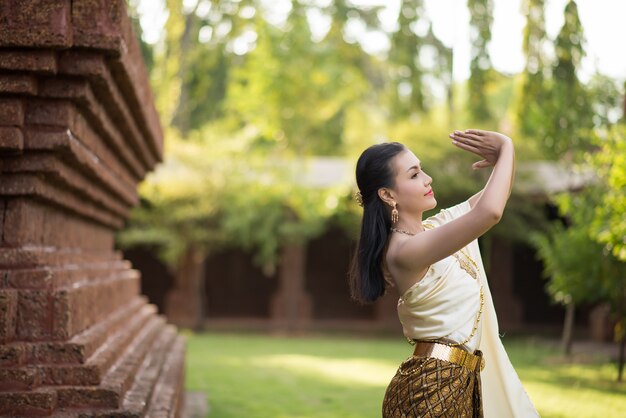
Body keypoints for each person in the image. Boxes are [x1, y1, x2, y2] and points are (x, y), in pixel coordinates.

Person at [350, 129, 539, 417]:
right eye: (414, 175)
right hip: (429, 391)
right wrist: (506, 145)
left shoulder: (434, 230)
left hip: (461, 384)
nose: (428, 179)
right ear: (388, 194)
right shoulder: (403, 251)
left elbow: (493, 197)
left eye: (422, 170)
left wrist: (504, 159)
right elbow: (490, 212)